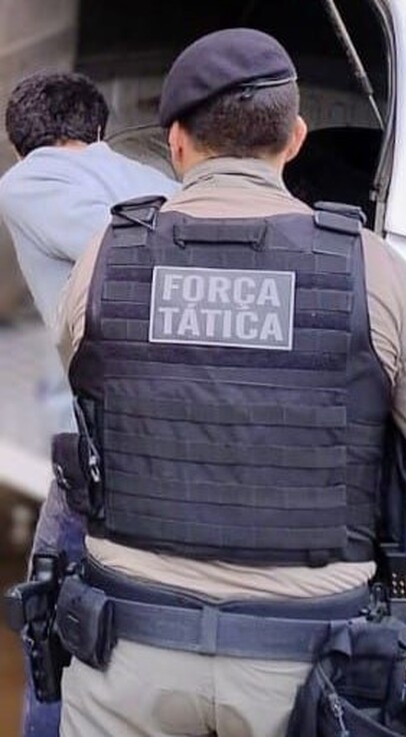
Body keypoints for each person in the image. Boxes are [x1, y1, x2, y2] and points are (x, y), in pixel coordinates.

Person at [54, 28, 406, 737]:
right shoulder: (377, 273)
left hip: (125, 655)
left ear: (176, 142)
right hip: (311, 668)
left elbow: (94, 391)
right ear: (297, 137)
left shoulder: (103, 260)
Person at [0, 71, 177, 737]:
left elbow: (133, 255)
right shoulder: (152, 176)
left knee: (49, 621)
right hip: (184, 434)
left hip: (104, 445)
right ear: (98, 130)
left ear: (24, 145)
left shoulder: (28, 181)